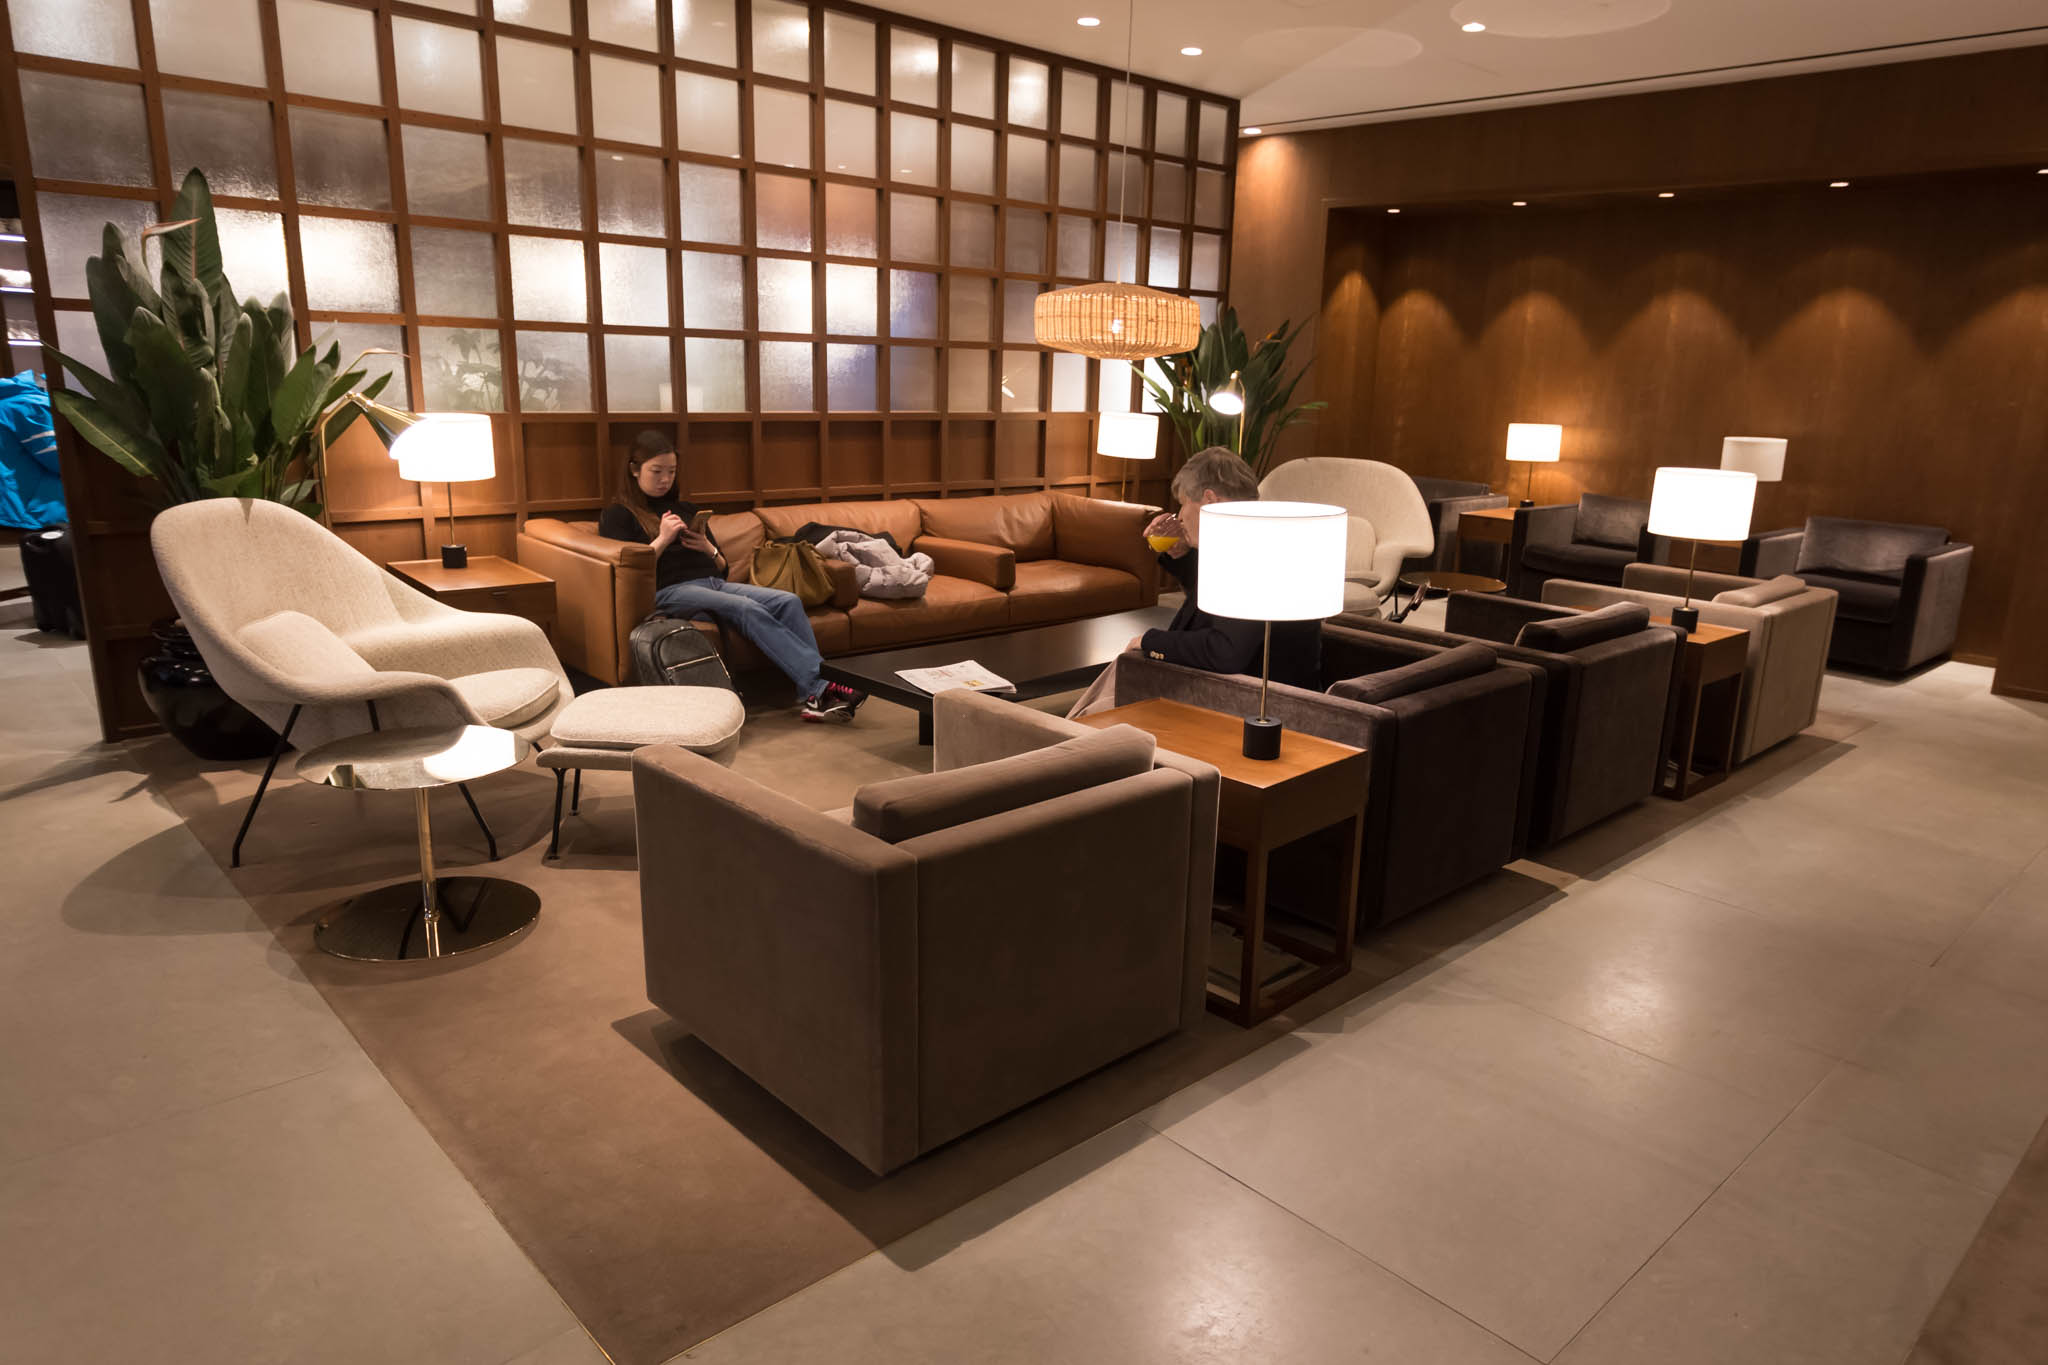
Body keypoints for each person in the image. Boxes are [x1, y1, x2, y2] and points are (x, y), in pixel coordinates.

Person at [599, 431, 865, 723]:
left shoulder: (687, 509)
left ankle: (813, 694)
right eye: (657, 471)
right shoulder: (618, 515)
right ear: (634, 469)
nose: (665, 479)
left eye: (672, 472)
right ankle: (822, 687)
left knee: (787, 601)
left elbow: (722, 567)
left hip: (714, 583)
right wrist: (662, 539)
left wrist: (708, 548)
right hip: (669, 591)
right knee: (745, 608)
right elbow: (628, 573)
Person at [1069, 446, 1322, 717]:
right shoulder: (1257, 534)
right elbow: (1216, 608)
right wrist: (1180, 553)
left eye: (1183, 503)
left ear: (1209, 499)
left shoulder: (1248, 551)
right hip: (1244, 686)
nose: (1179, 516)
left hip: (1249, 702)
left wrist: (1151, 641)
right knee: (1113, 682)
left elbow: (1225, 652)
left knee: (1106, 698)